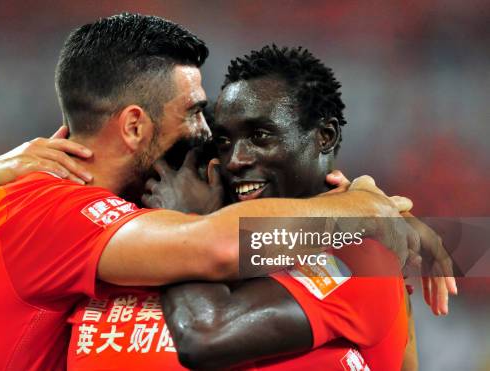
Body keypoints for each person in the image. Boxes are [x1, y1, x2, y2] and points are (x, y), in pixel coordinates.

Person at [0, 14, 450, 371]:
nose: (208, 140)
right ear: (133, 126)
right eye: (196, 115)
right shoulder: (65, 214)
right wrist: (363, 209)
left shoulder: (28, 205)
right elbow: (215, 250)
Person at [65, 46, 418, 371]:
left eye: (260, 136)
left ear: (324, 136)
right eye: (224, 141)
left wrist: (183, 220)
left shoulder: (359, 254)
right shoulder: (239, 246)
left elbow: (206, 334)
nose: (235, 160)